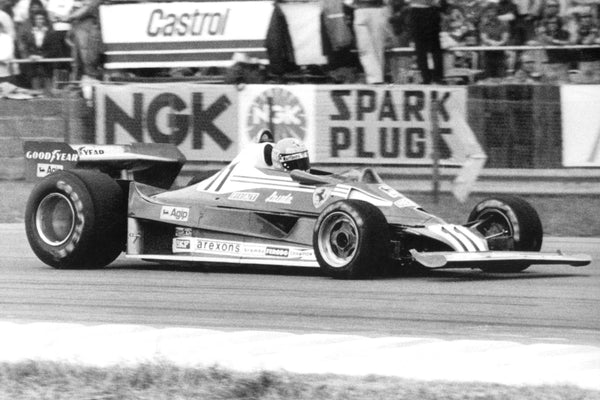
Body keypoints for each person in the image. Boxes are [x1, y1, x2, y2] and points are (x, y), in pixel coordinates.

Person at [352, 0, 393, 84]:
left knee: (376, 47)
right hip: (363, 10)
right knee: (365, 47)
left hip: (376, 10)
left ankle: (376, 79)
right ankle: (376, 79)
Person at [408, 0, 447, 84]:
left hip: (429, 11)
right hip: (417, 10)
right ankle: (426, 77)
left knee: (434, 47)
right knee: (420, 48)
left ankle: (437, 77)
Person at [479, 3, 510, 79]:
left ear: (497, 12)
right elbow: (484, 38)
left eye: (493, 11)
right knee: (488, 76)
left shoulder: (504, 24)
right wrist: (491, 42)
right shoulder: (483, 25)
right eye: (489, 11)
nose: (491, 14)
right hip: (488, 54)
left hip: (500, 54)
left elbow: (505, 39)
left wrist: (498, 43)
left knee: (501, 76)